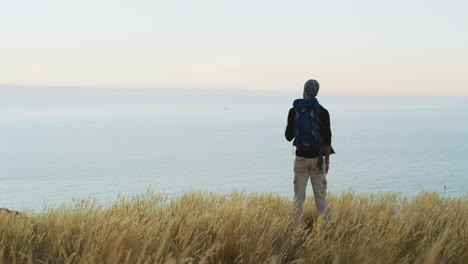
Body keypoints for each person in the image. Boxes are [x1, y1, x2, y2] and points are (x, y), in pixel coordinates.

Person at [285, 79, 333, 224]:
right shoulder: (323, 112)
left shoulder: (294, 111)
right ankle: (326, 231)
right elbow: (328, 140)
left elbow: (288, 137)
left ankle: (296, 230)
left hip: (300, 160)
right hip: (318, 160)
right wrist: (327, 161)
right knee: (320, 197)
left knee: (298, 198)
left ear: (304, 91)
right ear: (316, 93)